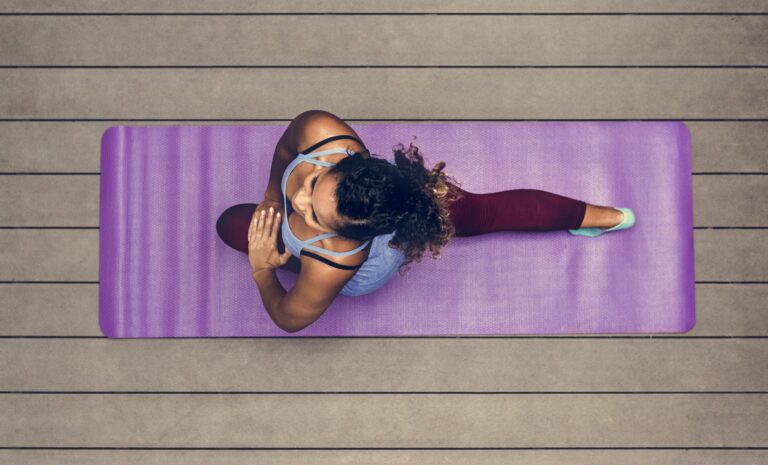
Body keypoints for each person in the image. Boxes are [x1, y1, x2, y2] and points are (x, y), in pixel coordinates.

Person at [216, 110, 635, 333]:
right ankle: (609, 217)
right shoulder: (320, 130)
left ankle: (606, 217)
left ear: (349, 235)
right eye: (314, 182)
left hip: (363, 267)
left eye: (311, 214)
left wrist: (262, 269)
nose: (299, 197)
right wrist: (274, 194)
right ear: (345, 163)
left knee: (234, 228)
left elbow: (291, 318)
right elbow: (289, 146)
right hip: (399, 201)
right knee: (229, 223)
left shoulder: (332, 261)